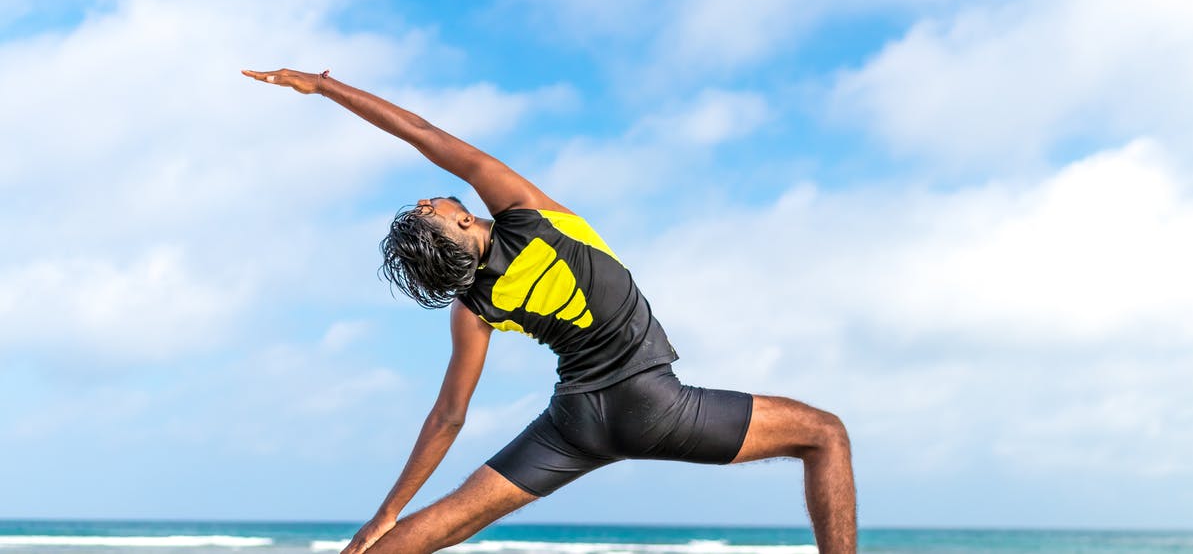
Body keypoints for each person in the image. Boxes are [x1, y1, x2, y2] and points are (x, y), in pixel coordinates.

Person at [242, 68, 858, 554]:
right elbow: (422, 134)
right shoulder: (527, 214)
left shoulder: (472, 306)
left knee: (437, 528)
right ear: (461, 220)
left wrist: (386, 512)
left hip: (575, 424)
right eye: (428, 206)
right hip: (652, 404)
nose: (428, 196)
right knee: (824, 434)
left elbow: (449, 416)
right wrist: (323, 86)